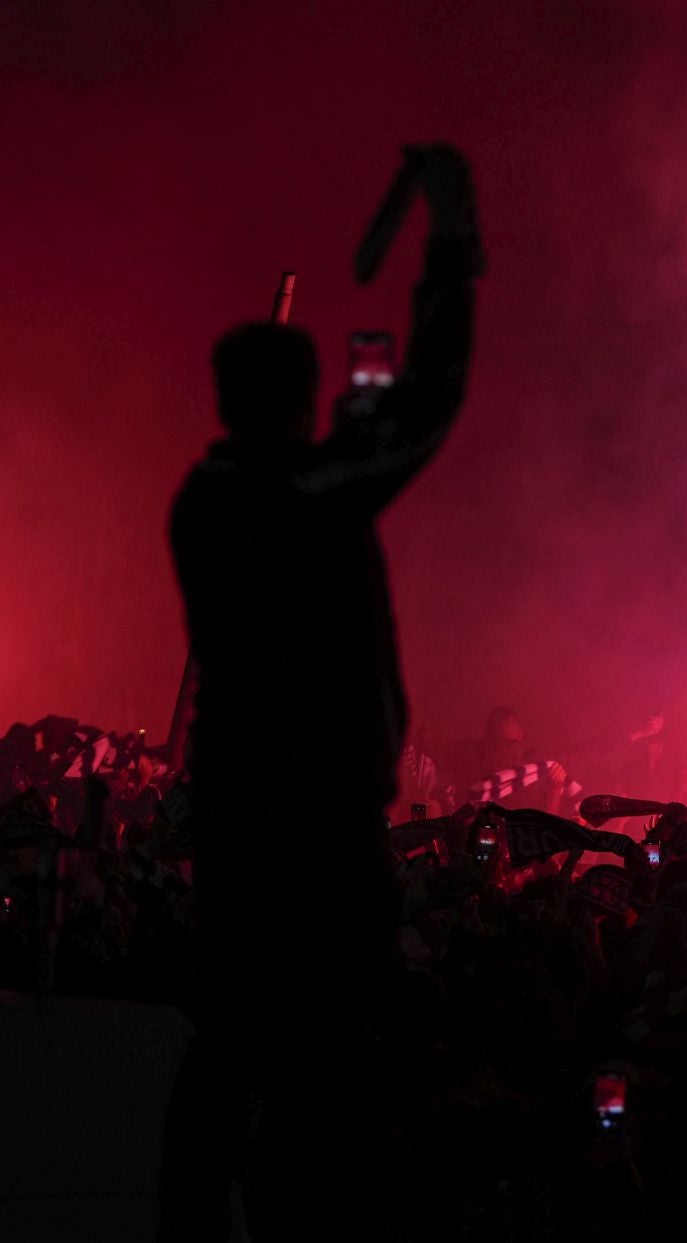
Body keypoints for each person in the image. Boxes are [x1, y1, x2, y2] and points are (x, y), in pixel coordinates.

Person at [160, 143, 481, 1240]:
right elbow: (433, 403)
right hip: (304, 818)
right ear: (302, 402)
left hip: (241, 802)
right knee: (320, 1051)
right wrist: (450, 240)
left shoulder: (209, 493)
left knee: (234, 1042)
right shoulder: (295, 497)